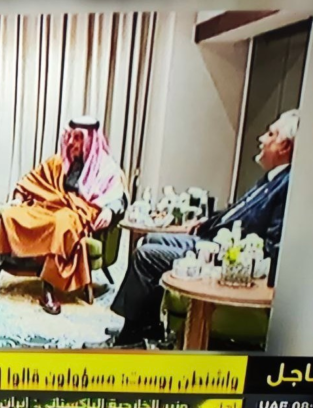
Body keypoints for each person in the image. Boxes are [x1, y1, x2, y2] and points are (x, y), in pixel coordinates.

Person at [94, 109, 299, 349]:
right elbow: (236, 213)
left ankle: (132, 335)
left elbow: (271, 244)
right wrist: (206, 221)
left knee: (146, 255)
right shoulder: (270, 179)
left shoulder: (286, 185)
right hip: (209, 238)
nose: (262, 139)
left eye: (271, 134)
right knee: (151, 239)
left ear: (285, 146)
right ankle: (145, 326)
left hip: (222, 256)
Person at [0, 116, 128, 315]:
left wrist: (109, 210)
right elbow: (30, 181)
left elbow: (119, 197)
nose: (72, 143)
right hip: (48, 206)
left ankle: (48, 289)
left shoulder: (106, 168)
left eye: (78, 138)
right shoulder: (59, 162)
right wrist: (17, 199)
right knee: (9, 216)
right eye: (70, 137)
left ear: (91, 140)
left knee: (60, 225)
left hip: (77, 213)